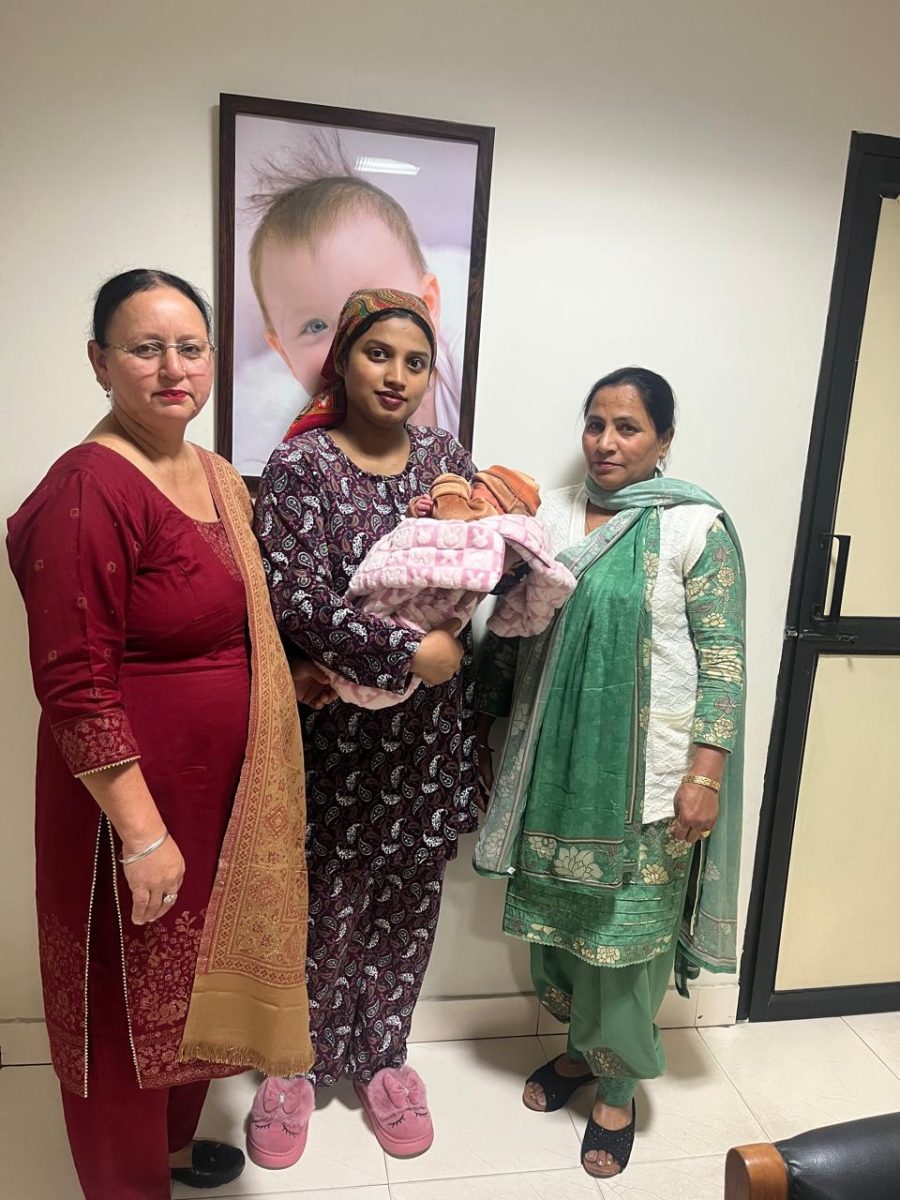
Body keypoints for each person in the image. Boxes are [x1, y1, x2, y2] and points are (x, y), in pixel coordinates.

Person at [6, 270, 313, 1200]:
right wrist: (141, 834)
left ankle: (172, 1150)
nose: (173, 368)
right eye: (146, 349)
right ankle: (125, 1183)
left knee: (188, 987)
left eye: (190, 348)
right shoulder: (87, 487)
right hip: (128, 805)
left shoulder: (213, 473)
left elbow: (239, 625)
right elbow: (74, 685)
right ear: (100, 363)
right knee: (121, 1002)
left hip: (219, 797)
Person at [474, 367, 746, 1179]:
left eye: (628, 427)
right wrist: (486, 726)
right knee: (559, 931)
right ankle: (578, 1049)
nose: (606, 441)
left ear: (664, 440)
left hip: (652, 783)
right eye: (595, 423)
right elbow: (513, 627)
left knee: (626, 943)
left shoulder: (694, 526)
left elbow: (723, 661)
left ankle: (617, 1085)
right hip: (552, 765)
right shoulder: (550, 516)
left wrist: (706, 773)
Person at [249, 287, 478, 1167]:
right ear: (342, 358)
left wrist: (456, 639)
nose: (397, 376)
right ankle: (293, 1067)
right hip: (333, 741)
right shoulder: (302, 466)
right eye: (379, 353)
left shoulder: (445, 462)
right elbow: (293, 595)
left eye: (416, 362)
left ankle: (384, 1059)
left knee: (405, 908)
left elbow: (480, 557)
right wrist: (408, 652)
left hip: (428, 738)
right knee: (322, 907)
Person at [234, 161, 465, 472]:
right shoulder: (296, 455)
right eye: (316, 326)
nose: (348, 342)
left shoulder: (461, 374)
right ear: (285, 356)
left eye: (376, 310)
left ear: (429, 307)